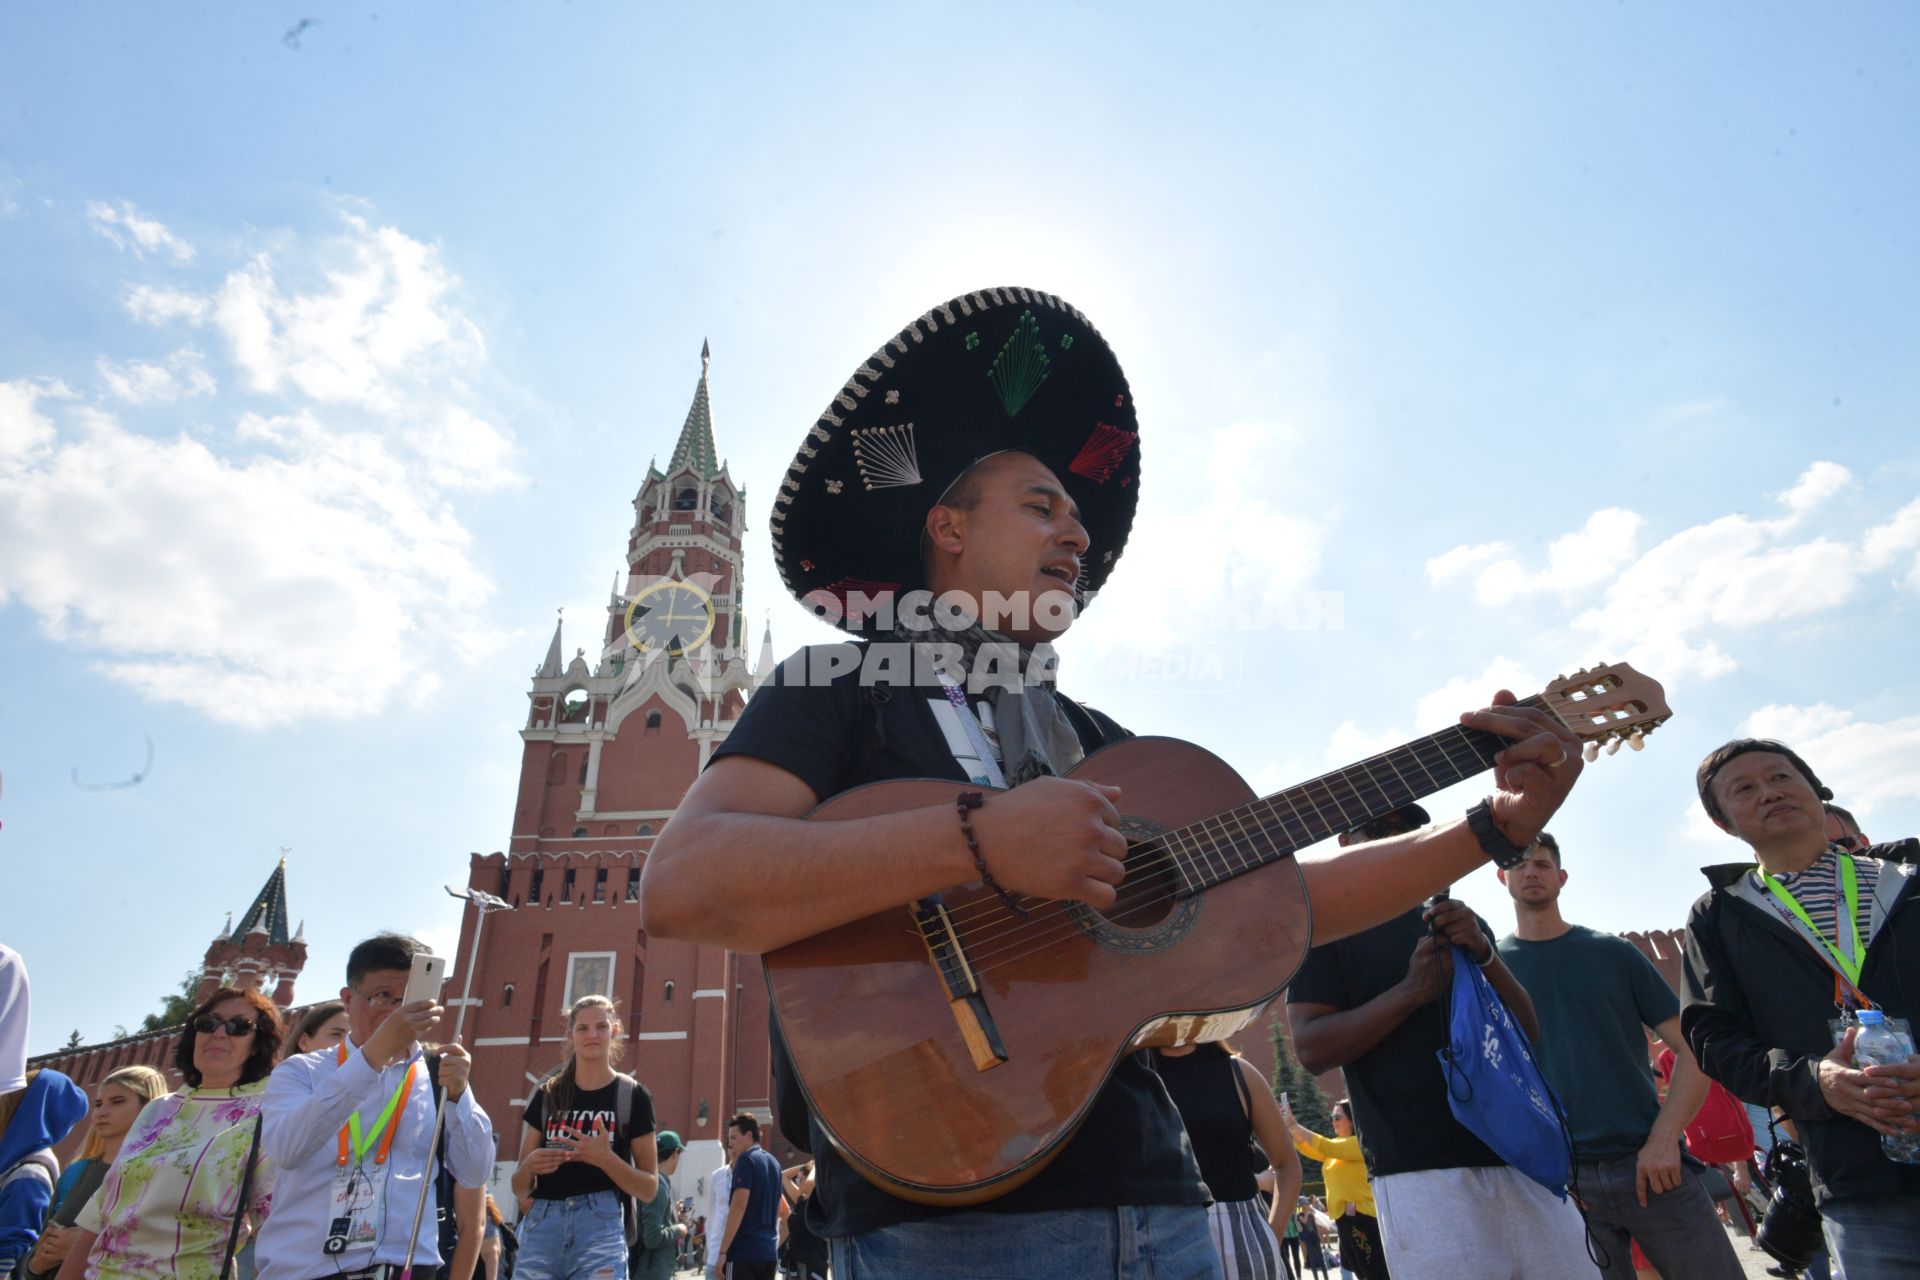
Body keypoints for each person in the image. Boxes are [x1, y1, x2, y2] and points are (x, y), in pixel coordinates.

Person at [639, 287, 1586, 1279]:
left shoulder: (1102, 745)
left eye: (1079, 518)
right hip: (949, 1221)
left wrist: (1493, 825)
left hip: (1168, 1208)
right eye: (1043, 505)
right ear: (949, 527)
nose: (1078, 537)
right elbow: (688, 882)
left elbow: (1282, 897)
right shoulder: (839, 684)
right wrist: (980, 838)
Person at [1286, 804, 1598, 1279]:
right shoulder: (1329, 931)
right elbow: (1311, 1048)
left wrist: (1484, 952)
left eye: (1412, 831)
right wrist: (1411, 992)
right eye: (1379, 828)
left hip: (1517, 1152)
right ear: (1345, 845)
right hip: (1419, 1171)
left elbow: (1527, 1031)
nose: (1399, 840)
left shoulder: (1453, 920)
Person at [1682, 738, 1920, 1277]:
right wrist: (1817, 1082)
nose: (1769, 793)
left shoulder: (1906, 881)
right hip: (1858, 1183)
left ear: (1815, 790)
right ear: (1724, 823)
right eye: (1744, 789)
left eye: (1782, 777)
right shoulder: (1721, 916)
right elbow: (1715, 1041)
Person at [1494, 830, 1743, 1279]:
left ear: (1562, 877)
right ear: (1501, 877)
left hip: (1652, 1164)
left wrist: (1665, 1139)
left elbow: (1692, 1048)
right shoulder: (1491, 968)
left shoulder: (1611, 953)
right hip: (1562, 1184)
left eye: (1543, 864)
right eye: (1519, 863)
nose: (1531, 871)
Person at [255, 934, 493, 1280]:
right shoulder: (302, 1071)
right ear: (349, 999)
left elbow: (474, 1173)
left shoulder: (434, 1075)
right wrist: (374, 1056)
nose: (396, 1011)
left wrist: (459, 1096)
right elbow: (287, 1149)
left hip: (409, 1267)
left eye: (408, 998)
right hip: (308, 1269)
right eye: (382, 996)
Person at [57, 988, 281, 1280]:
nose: (219, 1033)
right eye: (208, 1023)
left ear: (256, 1045)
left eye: (239, 1026)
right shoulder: (158, 1109)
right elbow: (102, 1215)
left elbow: (273, 1233)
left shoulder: (266, 1114)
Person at [511, 994, 658, 1280]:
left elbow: (649, 1188)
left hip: (600, 1227)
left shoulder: (631, 1096)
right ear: (570, 1035)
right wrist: (530, 1165)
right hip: (542, 1227)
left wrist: (604, 1159)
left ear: (615, 1030)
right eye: (583, 1028)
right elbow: (519, 1186)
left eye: (601, 1027)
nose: (592, 1034)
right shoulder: (547, 1095)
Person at [1152, 1042, 1298, 1279]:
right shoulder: (1136, 1076)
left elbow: (1287, 1163)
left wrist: (1273, 1234)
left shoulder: (1237, 1072)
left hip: (1242, 1239)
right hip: (1162, 1240)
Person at [23, 1066, 168, 1280]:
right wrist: (36, 1265)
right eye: (98, 1104)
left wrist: (89, 1246)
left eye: (117, 1102)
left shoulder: (160, 1174)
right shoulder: (75, 1172)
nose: (102, 1112)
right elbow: (34, 1259)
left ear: (148, 1106)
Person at [1279, 1099, 1384, 1280]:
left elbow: (1325, 1145)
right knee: (1361, 1272)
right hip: (1345, 1220)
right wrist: (1291, 1127)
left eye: (1338, 1117)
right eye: (1331, 1117)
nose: (1333, 1121)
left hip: (1362, 1219)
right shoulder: (1336, 1149)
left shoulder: (1359, 1143)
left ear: (1352, 1119)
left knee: (1374, 1273)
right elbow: (1310, 1148)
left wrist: (1294, 1124)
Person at [1, 1068, 89, 1277]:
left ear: (29, 1107)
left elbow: (9, 1251)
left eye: (9, 1096)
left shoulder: (30, 1171)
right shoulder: (13, 1162)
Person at [717, 1114, 781, 1280]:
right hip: (768, 1253)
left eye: (734, 1137)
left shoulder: (746, 1159)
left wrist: (723, 1251)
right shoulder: (775, 1163)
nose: (731, 1143)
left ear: (749, 1135)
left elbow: (739, 1205)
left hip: (743, 1252)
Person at [628, 1131, 684, 1280]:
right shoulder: (659, 1186)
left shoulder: (654, 1182)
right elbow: (652, 1237)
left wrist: (673, 1214)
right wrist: (679, 1229)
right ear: (675, 1153)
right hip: (652, 1273)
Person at [778, 1161, 827, 1280]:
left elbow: (810, 1182)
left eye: (800, 1180)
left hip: (811, 1264)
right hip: (795, 1261)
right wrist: (804, 1166)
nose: (797, 1183)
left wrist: (815, 1166)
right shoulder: (800, 1201)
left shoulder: (817, 1202)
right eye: (797, 1180)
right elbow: (783, 1176)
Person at [282, 1003, 351, 1060]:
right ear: (304, 1042)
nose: (349, 1041)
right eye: (336, 1034)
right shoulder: (284, 1075)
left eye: (352, 1035)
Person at [702, 1161, 730, 1280]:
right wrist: (713, 1252)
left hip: (744, 1256)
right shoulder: (718, 1176)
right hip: (716, 1256)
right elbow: (712, 1216)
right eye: (729, 1143)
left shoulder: (756, 1172)